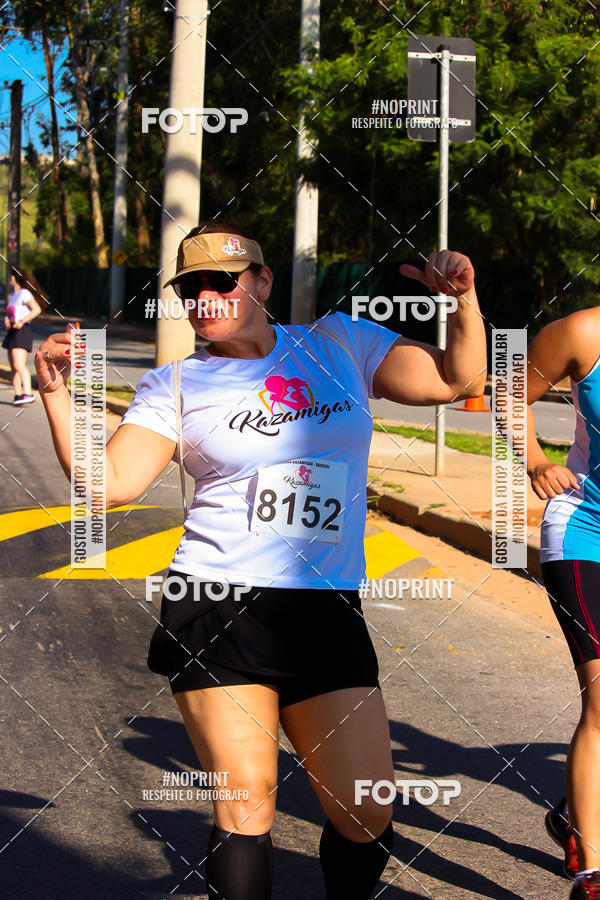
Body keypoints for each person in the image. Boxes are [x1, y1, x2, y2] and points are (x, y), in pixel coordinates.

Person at [35, 222, 486, 899]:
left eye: (222, 281)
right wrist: (55, 393)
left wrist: (463, 301)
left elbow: (459, 378)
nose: (206, 298)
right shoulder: (177, 386)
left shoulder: (339, 341)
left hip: (323, 606)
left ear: (264, 281)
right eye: (191, 288)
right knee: (246, 803)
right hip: (216, 603)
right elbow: (109, 485)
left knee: (366, 811)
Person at [528, 307, 600, 899]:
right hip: (585, 534)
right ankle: (592, 873)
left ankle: (575, 809)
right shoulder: (584, 333)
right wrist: (535, 460)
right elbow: (509, 389)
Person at [3, 266, 44, 405]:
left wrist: (22, 321)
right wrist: (8, 319)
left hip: (22, 331)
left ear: (14, 277)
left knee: (19, 364)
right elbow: (12, 312)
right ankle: (18, 395)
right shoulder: (13, 295)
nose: (8, 279)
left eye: (10, 276)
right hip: (12, 331)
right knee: (13, 367)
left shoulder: (25, 293)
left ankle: (28, 393)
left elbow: (36, 309)